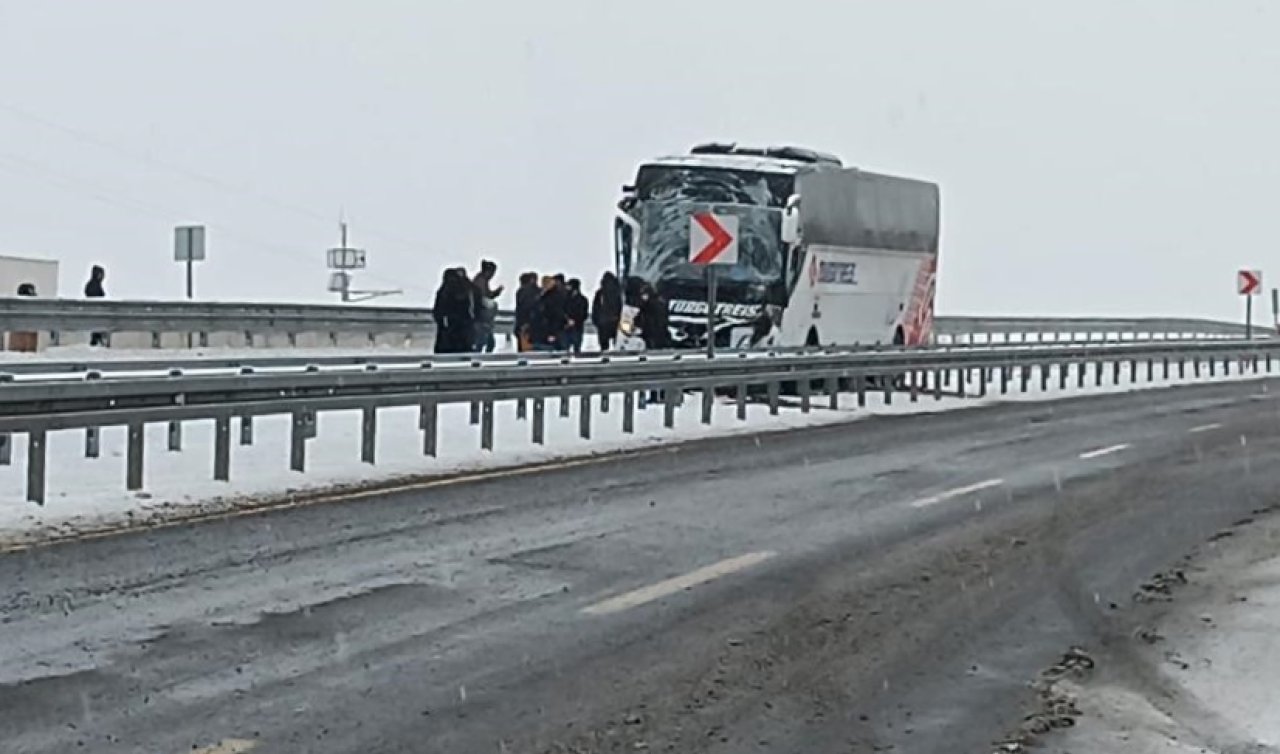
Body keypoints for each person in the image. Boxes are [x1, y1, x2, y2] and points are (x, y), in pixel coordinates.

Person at [432, 268, 476, 354]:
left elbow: (438, 312)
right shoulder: (465, 289)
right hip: (462, 332)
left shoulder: (444, 291)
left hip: (449, 332)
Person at [472, 259, 504, 353]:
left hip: (483, 318)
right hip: (482, 318)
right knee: (484, 342)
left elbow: (487, 295)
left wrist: (496, 293)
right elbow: (483, 298)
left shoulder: (481, 280)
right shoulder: (480, 281)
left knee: (487, 342)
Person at [530, 275, 568, 351]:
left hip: (552, 329)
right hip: (540, 330)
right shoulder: (541, 295)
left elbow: (556, 315)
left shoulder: (556, 296)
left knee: (554, 350)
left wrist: (553, 333)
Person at [591, 271, 623, 351]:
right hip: (615, 321)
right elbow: (620, 306)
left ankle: (605, 358)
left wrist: (596, 320)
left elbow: (596, 307)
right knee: (617, 344)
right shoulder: (617, 292)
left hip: (603, 322)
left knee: (604, 346)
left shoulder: (600, 292)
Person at [637, 282, 671, 350]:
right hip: (653, 331)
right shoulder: (647, 304)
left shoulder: (653, 304)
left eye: (644, 294)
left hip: (655, 331)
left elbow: (658, 319)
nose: (643, 297)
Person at [514, 272, 540, 352]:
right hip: (530, 323)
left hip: (522, 323)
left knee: (522, 348)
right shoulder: (533, 292)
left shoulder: (520, 291)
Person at [564, 278, 590, 355]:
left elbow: (583, 314)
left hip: (577, 327)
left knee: (577, 349)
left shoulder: (582, 300)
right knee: (566, 350)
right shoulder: (566, 298)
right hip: (567, 327)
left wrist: (575, 320)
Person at [84, 265, 107, 346]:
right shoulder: (94, 285)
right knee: (98, 324)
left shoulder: (91, 284)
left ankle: (97, 338)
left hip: (94, 310)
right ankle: (96, 339)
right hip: (96, 310)